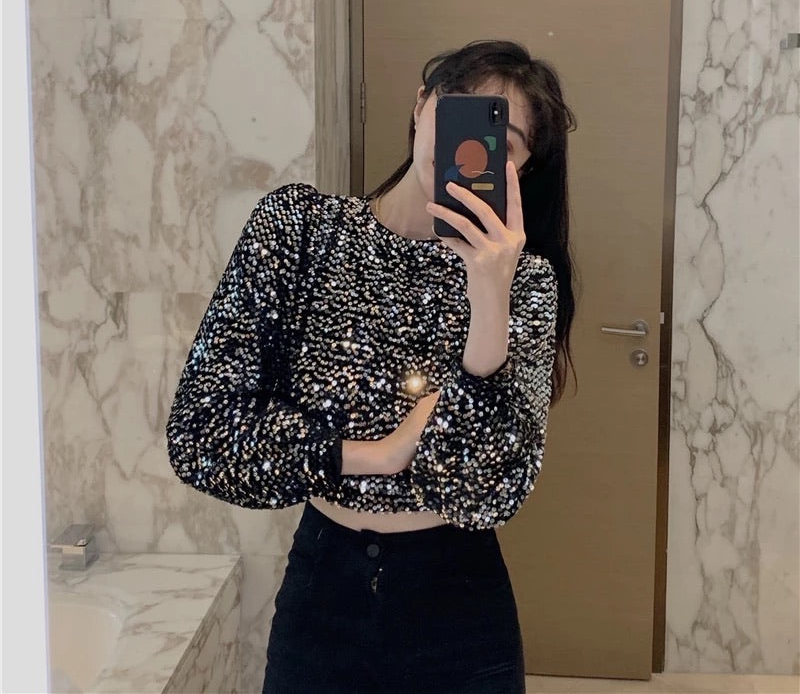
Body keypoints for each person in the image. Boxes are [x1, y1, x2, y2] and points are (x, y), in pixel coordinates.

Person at [165, 39, 578, 693]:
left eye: (503, 139)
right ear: (420, 106)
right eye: (459, 109)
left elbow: (487, 492)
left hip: (460, 611)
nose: (471, 145)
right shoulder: (301, 230)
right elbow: (203, 435)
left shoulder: (524, 284)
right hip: (322, 593)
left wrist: (488, 297)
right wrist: (377, 454)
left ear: (522, 168)